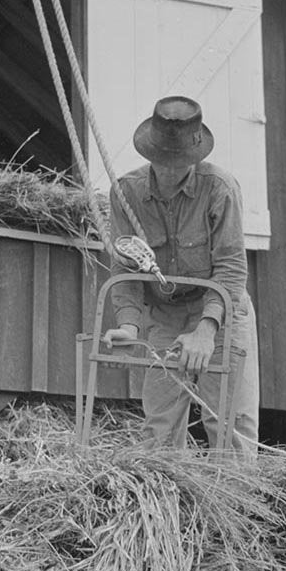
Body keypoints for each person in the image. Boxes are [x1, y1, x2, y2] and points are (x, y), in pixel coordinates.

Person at [102, 96, 260, 457]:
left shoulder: (221, 189)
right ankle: (168, 507)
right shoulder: (126, 193)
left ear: (197, 155)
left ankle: (236, 505)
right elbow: (125, 265)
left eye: (182, 162)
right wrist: (128, 325)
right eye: (164, 161)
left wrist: (206, 330)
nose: (172, 170)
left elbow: (232, 268)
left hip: (221, 310)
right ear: (150, 153)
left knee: (230, 426)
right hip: (165, 314)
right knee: (159, 427)